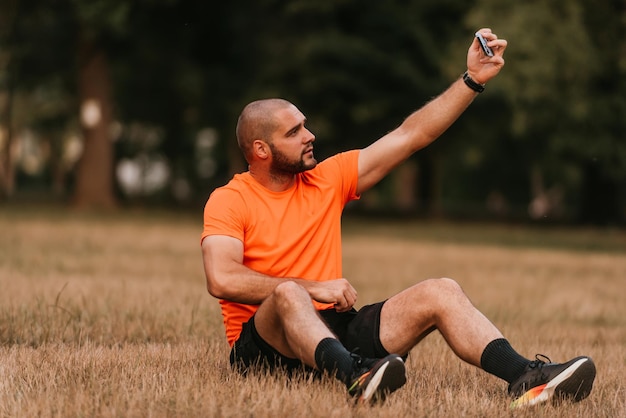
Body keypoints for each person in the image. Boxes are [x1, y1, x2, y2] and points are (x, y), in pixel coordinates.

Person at [201, 28, 596, 407]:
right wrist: (312, 287)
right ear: (261, 149)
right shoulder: (230, 200)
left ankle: (526, 378)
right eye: (294, 131)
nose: (310, 135)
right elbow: (222, 278)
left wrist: (473, 80)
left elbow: (410, 136)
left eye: (305, 125)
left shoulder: (326, 179)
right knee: (288, 293)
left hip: (331, 332)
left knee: (440, 290)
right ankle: (356, 376)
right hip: (264, 349)